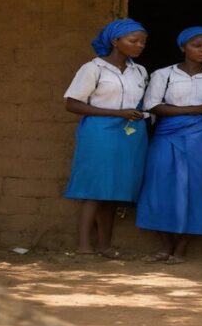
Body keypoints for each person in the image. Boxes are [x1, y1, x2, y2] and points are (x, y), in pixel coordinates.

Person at [136, 26, 202, 262]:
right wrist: (198, 109)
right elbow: (153, 106)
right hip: (167, 133)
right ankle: (165, 245)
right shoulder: (164, 75)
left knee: (198, 188)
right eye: (196, 45)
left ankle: (182, 248)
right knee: (159, 186)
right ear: (183, 47)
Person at [63, 18, 149, 257]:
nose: (140, 45)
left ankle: (105, 246)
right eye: (134, 41)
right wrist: (116, 112)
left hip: (130, 133)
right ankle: (83, 246)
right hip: (99, 133)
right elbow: (72, 104)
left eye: (143, 42)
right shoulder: (93, 68)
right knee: (94, 188)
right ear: (115, 41)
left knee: (115, 190)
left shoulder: (139, 71)